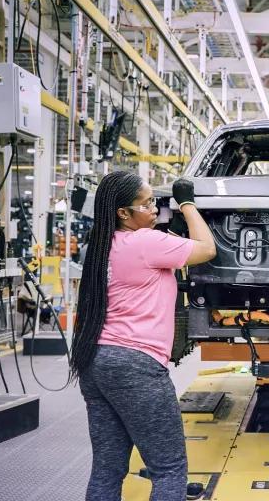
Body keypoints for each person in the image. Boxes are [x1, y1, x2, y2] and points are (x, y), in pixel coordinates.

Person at [70, 171, 217, 501]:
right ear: (123, 213)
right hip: (135, 366)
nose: (155, 208)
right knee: (169, 469)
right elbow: (207, 249)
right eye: (147, 203)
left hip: (96, 361)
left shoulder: (102, 244)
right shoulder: (145, 242)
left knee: (108, 468)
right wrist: (188, 204)